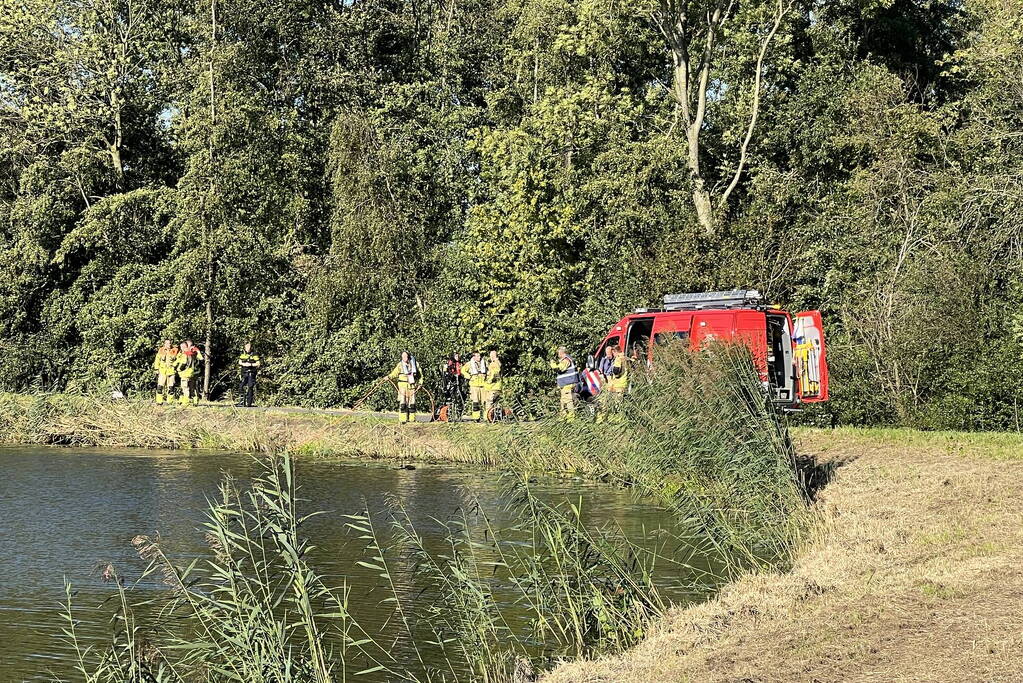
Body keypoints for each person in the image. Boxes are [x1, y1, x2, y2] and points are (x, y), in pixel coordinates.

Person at [597, 344, 628, 422]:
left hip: (618, 384)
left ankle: (617, 419)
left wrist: (615, 375)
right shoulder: (624, 357)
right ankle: (616, 418)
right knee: (618, 402)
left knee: (616, 403)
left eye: (612, 353)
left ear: (614, 351)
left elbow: (616, 370)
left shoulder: (618, 359)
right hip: (622, 383)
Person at [388, 351, 419, 424]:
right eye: (403, 356)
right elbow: (394, 373)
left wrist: (420, 383)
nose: (404, 358)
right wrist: (389, 377)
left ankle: (412, 419)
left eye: (405, 356)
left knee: (412, 403)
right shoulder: (400, 365)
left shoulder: (415, 364)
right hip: (402, 386)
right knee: (403, 402)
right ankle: (403, 420)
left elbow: (420, 375)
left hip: (411, 386)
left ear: (408, 356)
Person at [550, 346, 578, 420]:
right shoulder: (566, 359)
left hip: (568, 384)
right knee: (563, 401)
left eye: (558, 352)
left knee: (568, 400)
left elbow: (560, 368)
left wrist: (553, 364)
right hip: (566, 384)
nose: (557, 354)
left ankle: (571, 417)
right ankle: (564, 416)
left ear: (561, 352)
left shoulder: (566, 360)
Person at [175, 339, 204, 405]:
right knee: (192, 388)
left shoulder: (188, 354)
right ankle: (195, 400)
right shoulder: (194, 353)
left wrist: (178, 369)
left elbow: (183, 363)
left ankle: (186, 401)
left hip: (187, 373)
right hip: (192, 372)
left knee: (185, 387)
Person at [461, 352, 488, 422]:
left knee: (485, 402)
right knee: (476, 402)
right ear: (474, 357)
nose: (479, 357)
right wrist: (469, 376)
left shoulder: (484, 362)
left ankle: (486, 416)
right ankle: (476, 417)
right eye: (477, 356)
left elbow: (489, 370)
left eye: (479, 356)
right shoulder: (469, 363)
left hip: (483, 384)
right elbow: (463, 370)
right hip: (474, 385)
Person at [236, 342, 261, 407]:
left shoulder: (254, 354)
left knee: (250, 386)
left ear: (251, 347)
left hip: (251, 373)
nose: (248, 349)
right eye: (247, 347)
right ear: (245, 347)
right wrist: (244, 364)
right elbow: (239, 362)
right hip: (244, 372)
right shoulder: (242, 354)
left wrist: (251, 364)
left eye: (249, 347)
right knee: (241, 386)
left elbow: (258, 363)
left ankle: (249, 403)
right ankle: (241, 402)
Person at [152, 340, 177, 404]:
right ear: (164, 344)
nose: (169, 344)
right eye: (167, 343)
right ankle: (159, 401)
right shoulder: (161, 350)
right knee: (160, 386)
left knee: (171, 387)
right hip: (162, 371)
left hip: (171, 371)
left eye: (170, 343)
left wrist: (175, 366)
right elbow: (157, 360)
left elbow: (178, 359)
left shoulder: (174, 350)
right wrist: (156, 369)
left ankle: (170, 402)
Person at [484, 350, 502, 421]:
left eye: (491, 356)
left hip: (493, 387)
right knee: (496, 404)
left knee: (489, 402)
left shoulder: (494, 364)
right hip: (498, 387)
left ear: (493, 356)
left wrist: (489, 381)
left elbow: (494, 373)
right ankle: (495, 418)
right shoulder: (499, 363)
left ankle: (488, 419)